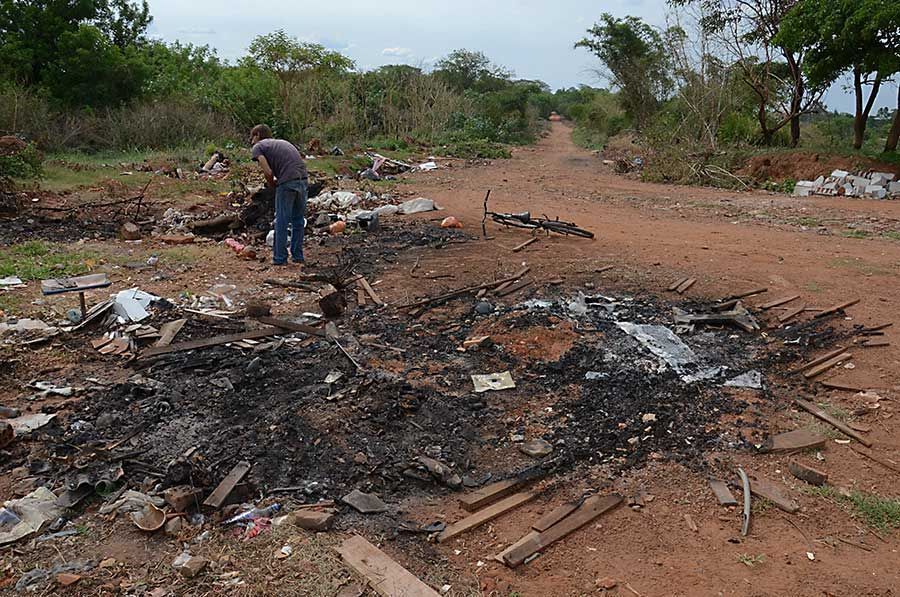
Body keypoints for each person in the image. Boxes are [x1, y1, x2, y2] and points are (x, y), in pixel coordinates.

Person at [249, 124, 309, 266]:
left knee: (281, 220)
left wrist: (272, 185)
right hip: (303, 179)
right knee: (298, 220)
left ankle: (280, 258)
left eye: (252, 137)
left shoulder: (258, 147)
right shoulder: (281, 142)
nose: (251, 141)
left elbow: (268, 172)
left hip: (287, 181)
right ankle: (297, 256)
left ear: (257, 135)